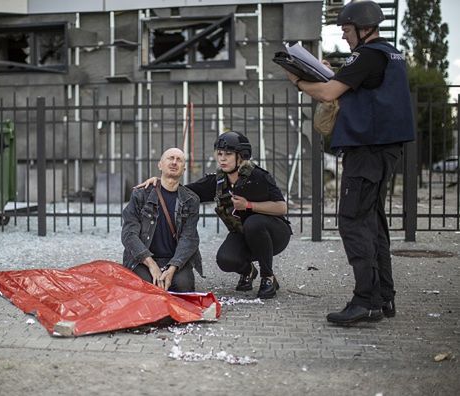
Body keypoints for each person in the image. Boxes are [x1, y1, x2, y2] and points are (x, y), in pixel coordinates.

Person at [283, 1, 415, 325]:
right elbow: (352, 87)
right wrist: (328, 73)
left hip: (367, 152)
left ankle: (365, 301)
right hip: (383, 151)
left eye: (346, 28)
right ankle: (383, 298)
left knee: (353, 221)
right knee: (373, 223)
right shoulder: (390, 54)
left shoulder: (367, 55)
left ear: (363, 26)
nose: (343, 35)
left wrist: (297, 81)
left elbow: (329, 93)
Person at [138, 131, 292, 299]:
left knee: (254, 223)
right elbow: (185, 191)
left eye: (228, 154)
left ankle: (268, 277)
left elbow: (281, 207)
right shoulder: (218, 182)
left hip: (274, 234)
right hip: (243, 234)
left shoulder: (258, 177)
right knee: (225, 259)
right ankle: (248, 271)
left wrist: (248, 205)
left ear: (241, 156)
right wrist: (161, 181)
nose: (222, 159)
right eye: (219, 154)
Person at [121, 147, 202, 292]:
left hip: (174, 260)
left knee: (183, 287)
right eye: (170, 158)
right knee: (146, 287)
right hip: (143, 260)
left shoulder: (191, 200)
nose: (174, 162)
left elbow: (189, 238)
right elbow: (129, 235)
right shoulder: (141, 195)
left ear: (184, 169)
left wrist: (172, 268)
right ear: (160, 165)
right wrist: (151, 265)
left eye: (179, 160)